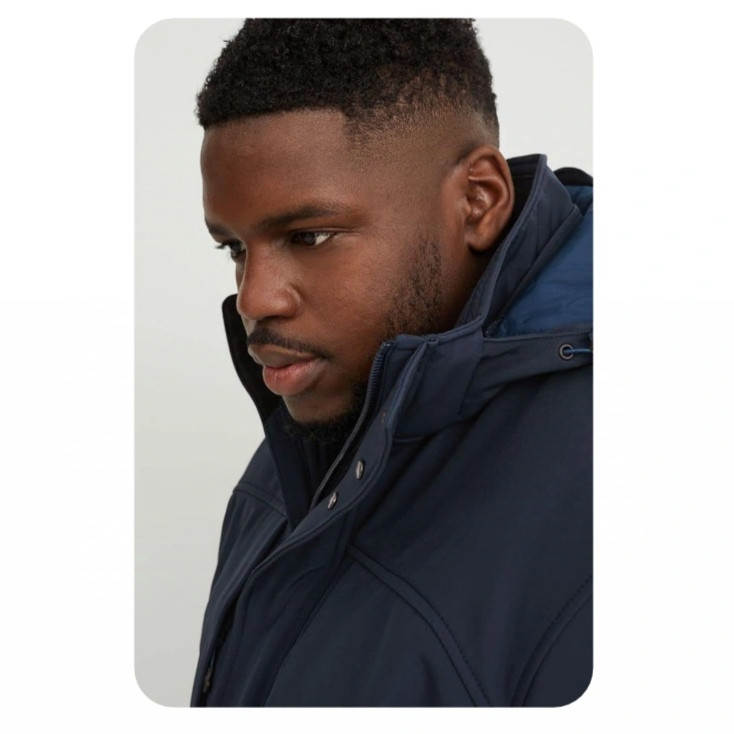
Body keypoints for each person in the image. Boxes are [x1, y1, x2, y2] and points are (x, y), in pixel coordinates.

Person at [191, 18, 592, 707]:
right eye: (235, 248)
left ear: (478, 201)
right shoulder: (317, 425)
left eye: (310, 235)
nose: (253, 299)